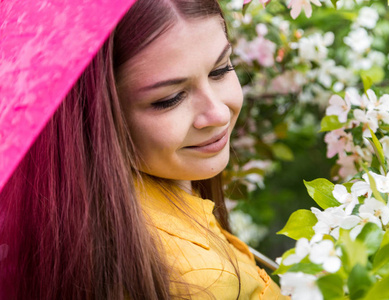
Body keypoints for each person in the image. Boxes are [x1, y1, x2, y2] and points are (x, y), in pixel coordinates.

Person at [0, 0, 289, 299]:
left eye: (221, 69)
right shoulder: (198, 280)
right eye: (170, 99)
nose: (218, 114)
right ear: (99, 115)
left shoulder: (130, 209)